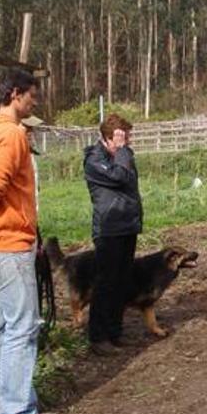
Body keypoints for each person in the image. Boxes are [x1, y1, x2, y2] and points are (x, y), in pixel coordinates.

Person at [0, 68, 60, 414]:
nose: (34, 101)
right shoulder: (10, 136)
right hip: (6, 244)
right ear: (16, 94)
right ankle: (16, 413)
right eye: (32, 95)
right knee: (22, 327)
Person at [83, 113, 143, 355]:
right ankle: (98, 337)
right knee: (106, 283)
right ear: (109, 138)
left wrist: (121, 152)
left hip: (127, 225)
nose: (127, 143)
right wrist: (121, 152)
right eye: (123, 138)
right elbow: (118, 177)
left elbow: (129, 181)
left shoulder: (121, 156)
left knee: (122, 282)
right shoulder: (94, 160)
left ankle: (115, 332)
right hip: (109, 230)